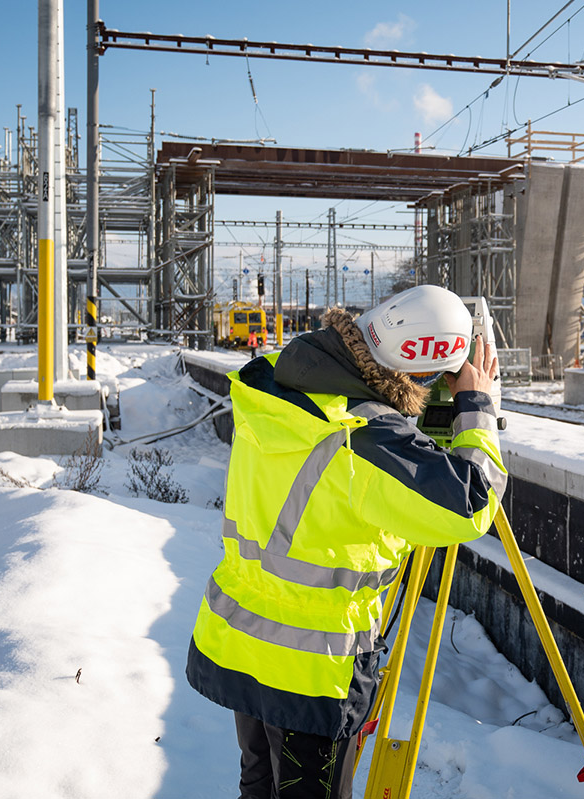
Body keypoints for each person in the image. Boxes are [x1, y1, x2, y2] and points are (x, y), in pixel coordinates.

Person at [186, 284, 507, 799]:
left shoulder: (281, 384)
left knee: (258, 786)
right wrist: (478, 409)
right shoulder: (364, 438)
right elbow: (470, 503)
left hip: (245, 640)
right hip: (312, 670)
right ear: (422, 371)